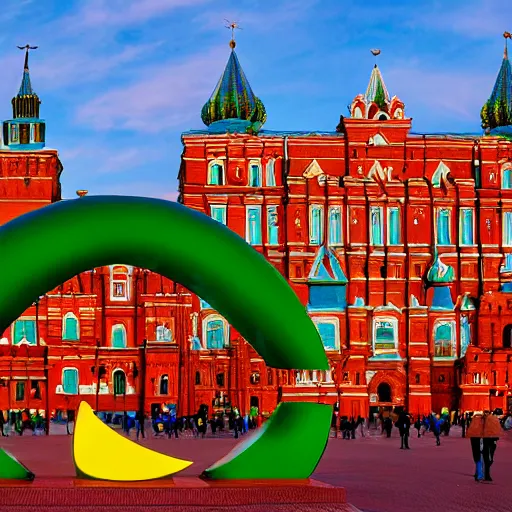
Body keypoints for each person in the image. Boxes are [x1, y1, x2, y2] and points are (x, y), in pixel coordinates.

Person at [482, 410, 502, 482]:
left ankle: (485, 474)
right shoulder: (492, 420)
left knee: (488, 459)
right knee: (488, 459)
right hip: (489, 440)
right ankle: (486, 475)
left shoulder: (491, 419)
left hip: (489, 440)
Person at [466, 410, 484, 481]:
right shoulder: (483, 426)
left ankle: (478, 473)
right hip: (481, 443)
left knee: (477, 458)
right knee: (480, 458)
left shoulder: (473, 427)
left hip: (475, 443)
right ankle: (479, 473)